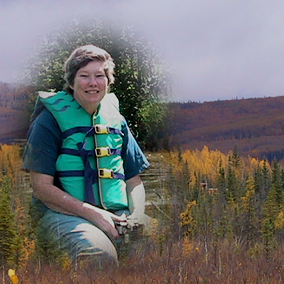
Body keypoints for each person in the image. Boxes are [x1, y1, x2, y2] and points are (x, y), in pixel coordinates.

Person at [22, 44, 150, 268]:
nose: (93, 83)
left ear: (108, 82)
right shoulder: (48, 121)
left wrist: (137, 216)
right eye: (84, 76)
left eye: (100, 76)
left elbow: (134, 181)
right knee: (99, 256)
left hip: (117, 213)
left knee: (164, 245)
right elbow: (41, 187)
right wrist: (96, 215)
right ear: (72, 82)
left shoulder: (116, 121)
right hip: (63, 214)